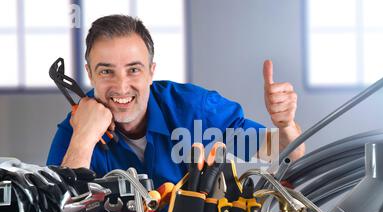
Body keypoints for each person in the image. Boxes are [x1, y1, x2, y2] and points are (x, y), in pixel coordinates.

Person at [47, 14, 305, 190]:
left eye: (133, 70)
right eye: (106, 72)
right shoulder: (74, 132)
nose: (122, 86)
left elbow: (284, 154)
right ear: (90, 74)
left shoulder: (195, 110)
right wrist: (83, 138)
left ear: (151, 72)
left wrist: (285, 126)